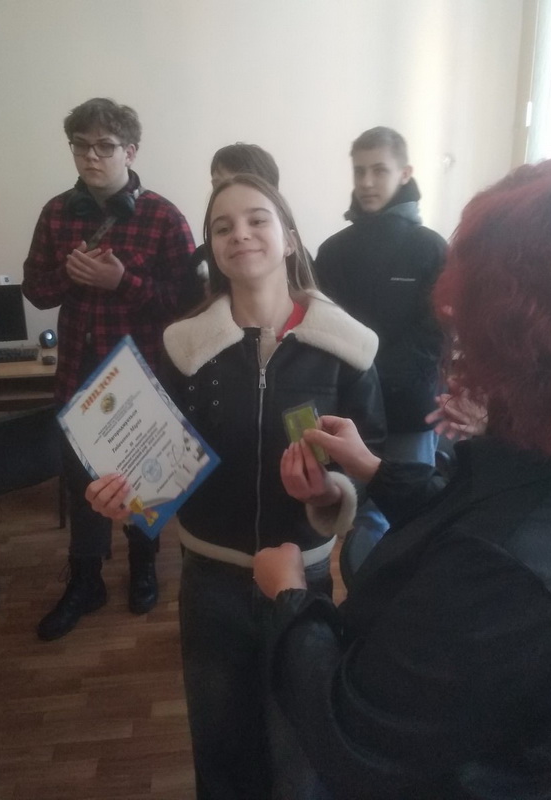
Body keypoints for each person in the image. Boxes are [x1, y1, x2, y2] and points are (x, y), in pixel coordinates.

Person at [253, 159, 551, 800]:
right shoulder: (536, 468)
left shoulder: (508, 569)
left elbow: (351, 733)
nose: (455, 341)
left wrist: (289, 596)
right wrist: (375, 470)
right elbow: (478, 513)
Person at [86, 173, 386, 799]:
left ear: (290, 239)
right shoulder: (185, 347)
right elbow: (157, 457)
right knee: (221, 749)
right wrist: (125, 496)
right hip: (211, 578)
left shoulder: (347, 348)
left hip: (300, 577)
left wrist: (330, 497)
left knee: (300, 750)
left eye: (256, 220)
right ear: (213, 251)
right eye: (222, 227)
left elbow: (369, 464)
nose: (240, 234)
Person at [22, 98, 201, 641]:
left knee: (141, 482)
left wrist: (123, 282)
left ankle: (143, 567)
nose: (90, 156)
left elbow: (190, 303)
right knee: (84, 487)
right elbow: (35, 288)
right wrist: (70, 276)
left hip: (143, 381)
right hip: (77, 378)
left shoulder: (164, 216)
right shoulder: (56, 213)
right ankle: (85, 581)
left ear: (131, 151)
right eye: (80, 145)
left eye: (104, 146)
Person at [315, 126, 447, 465]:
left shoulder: (431, 248)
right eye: (359, 171)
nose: (367, 182)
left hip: (409, 412)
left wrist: (373, 377)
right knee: (346, 498)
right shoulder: (331, 252)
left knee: (411, 497)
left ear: (405, 173)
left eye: (379, 170)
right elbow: (321, 329)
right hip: (346, 411)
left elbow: (435, 335)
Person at [189, 142, 280, 291]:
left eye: (258, 221)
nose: (227, 192)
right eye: (218, 186)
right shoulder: (202, 258)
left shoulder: (298, 261)